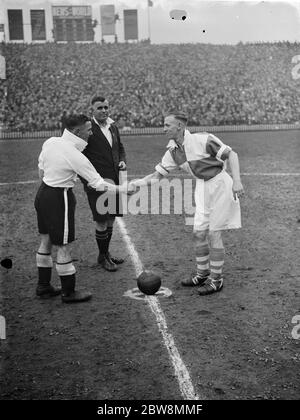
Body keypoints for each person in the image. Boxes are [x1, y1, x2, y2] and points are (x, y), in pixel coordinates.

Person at [130, 113, 244, 296]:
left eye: (168, 125)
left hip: (220, 185)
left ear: (180, 126)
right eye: (164, 125)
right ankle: (202, 274)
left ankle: (216, 279)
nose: (164, 128)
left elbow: (232, 155)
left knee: (214, 234)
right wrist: (135, 184)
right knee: (199, 233)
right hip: (202, 188)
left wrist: (237, 181)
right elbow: (156, 176)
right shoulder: (172, 151)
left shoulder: (203, 139)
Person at [34, 114, 131, 303]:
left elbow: (41, 169)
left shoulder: (51, 141)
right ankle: (69, 293)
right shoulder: (75, 155)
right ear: (77, 132)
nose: (91, 132)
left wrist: (49, 188)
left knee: (45, 241)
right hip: (59, 197)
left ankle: (43, 286)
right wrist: (124, 189)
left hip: (43, 193)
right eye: (88, 129)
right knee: (63, 246)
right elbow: (98, 184)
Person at [80, 95, 127, 272]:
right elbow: (79, 156)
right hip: (97, 183)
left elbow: (120, 148)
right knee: (101, 220)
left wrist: (122, 161)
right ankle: (103, 258)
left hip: (114, 181)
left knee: (111, 218)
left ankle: (105, 254)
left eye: (106, 107)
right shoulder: (87, 129)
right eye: (100, 108)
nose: (104, 111)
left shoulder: (113, 126)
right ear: (91, 109)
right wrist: (88, 181)